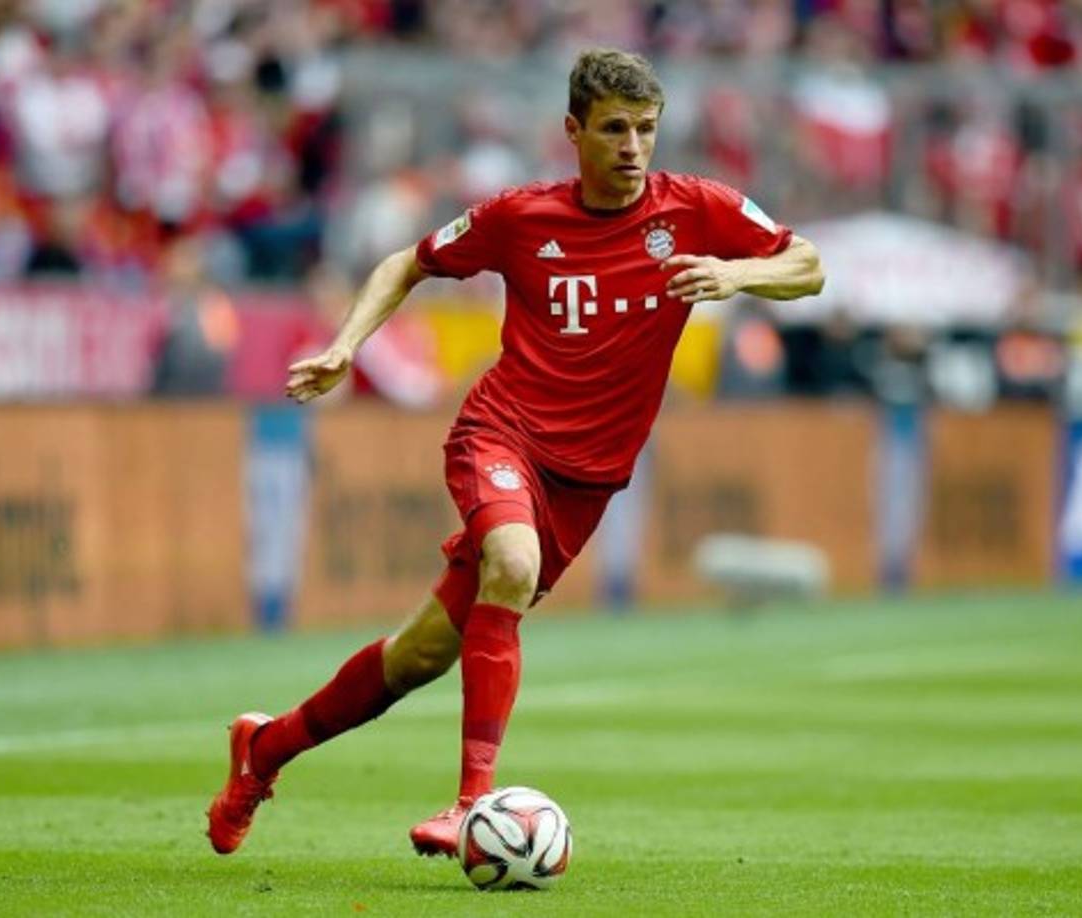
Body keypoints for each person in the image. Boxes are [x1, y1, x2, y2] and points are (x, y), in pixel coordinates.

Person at [206, 47, 824, 858]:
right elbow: (408, 263)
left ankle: (266, 749)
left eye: (645, 129)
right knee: (511, 565)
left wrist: (736, 277)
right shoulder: (521, 216)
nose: (633, 147)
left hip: (587, 480)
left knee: (421, 655)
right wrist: (343, 347)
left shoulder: (696, 212)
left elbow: (806, 265)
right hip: (502, 434)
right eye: (613, 129)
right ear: (572, 130)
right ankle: (473, 803)